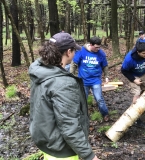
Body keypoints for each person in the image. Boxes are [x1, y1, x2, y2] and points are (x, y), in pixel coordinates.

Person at [28, 32, 99, 160]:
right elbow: (69, 124)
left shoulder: (41, 71)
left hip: (48, 142)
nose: (75, 54)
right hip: (62, 149)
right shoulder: (63, 84)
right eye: (74, 51)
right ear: (68, 52)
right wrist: (89, 155)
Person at [70, 36, 110, 122]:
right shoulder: (81, 51)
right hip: (83, 80)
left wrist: (106, 76)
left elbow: (105, 65)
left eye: (99, 47)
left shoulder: (101, 53)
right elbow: (74, 64)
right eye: (96, 47)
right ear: (90, 45)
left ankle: (105, 114)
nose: (98, 49)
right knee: (83, 99)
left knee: (99, 98)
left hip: (95, 80)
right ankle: (82, 116)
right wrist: (71, 75)